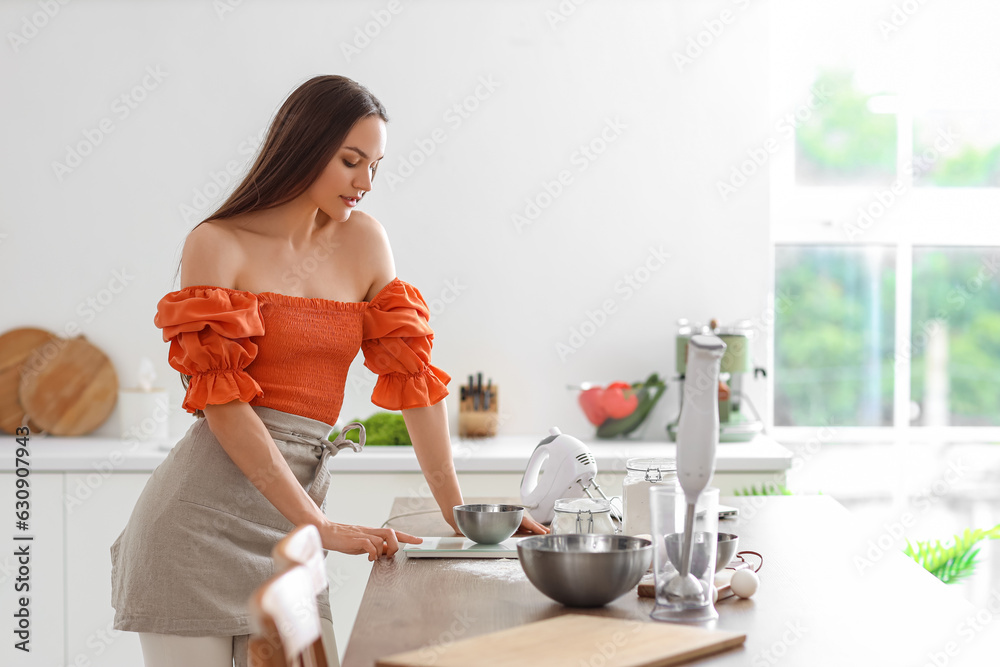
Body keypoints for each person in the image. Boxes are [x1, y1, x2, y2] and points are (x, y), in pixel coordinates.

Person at [110, 74, 547, 667]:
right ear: (305, 147)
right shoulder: (216, 243)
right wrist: (318, 522)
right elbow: (224, 405)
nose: (366, 183)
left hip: (293, 528)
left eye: (376, 166)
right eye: (351, 161)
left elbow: (414, 377)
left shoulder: (364, 241)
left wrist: (461, 512)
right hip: (195, 528)